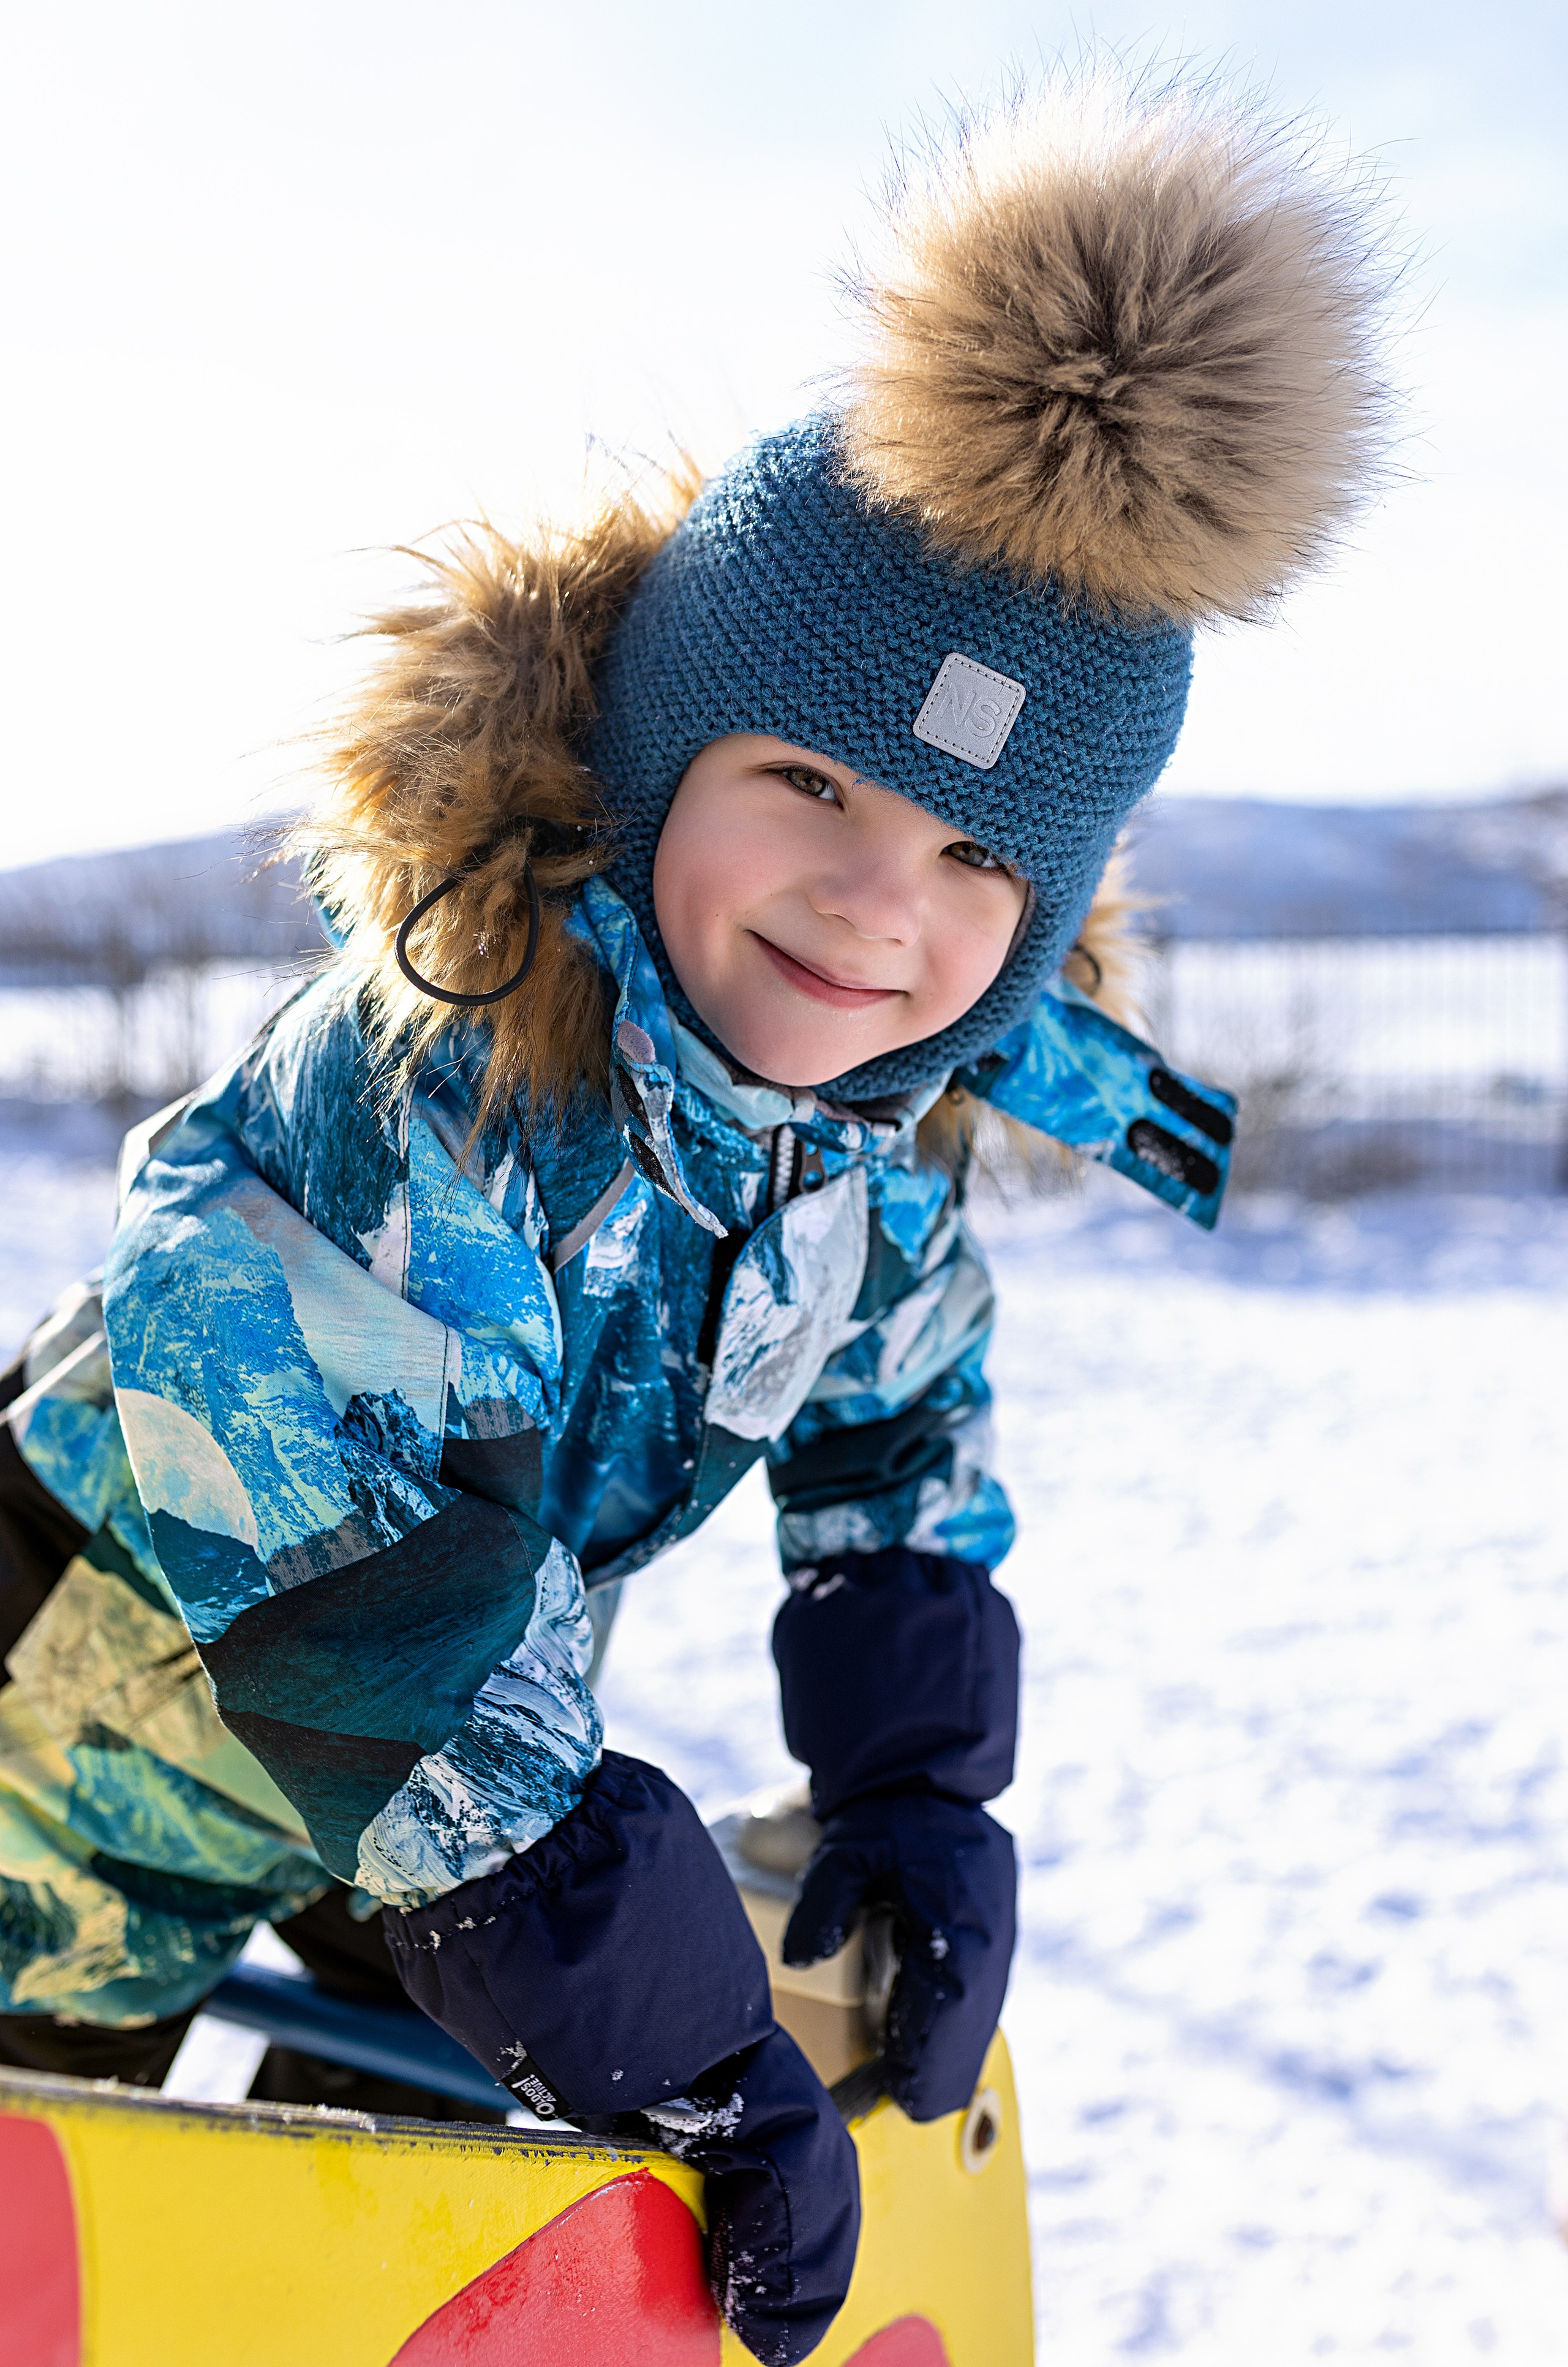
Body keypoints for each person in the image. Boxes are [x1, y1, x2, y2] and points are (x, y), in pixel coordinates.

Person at [0, 72, 1391, 2365]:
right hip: (86, 1744)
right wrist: (608, 1951)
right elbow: (372, 1602)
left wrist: (914, 1791)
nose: (877, 908)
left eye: (976, 863)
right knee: (76, 2148)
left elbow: (897, 1434)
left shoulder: (855, 1133)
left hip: (422, 1803)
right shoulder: (442, 1080)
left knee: (450, 2132)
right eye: (814, 785)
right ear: (655, 767)